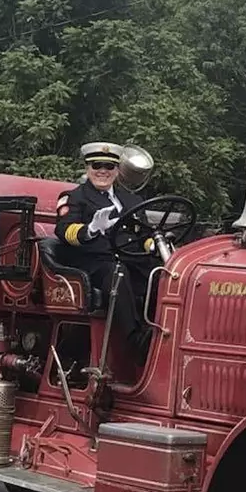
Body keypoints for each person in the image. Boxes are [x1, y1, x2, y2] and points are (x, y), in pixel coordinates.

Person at [54, 142, 156, 364]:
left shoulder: (132, 200)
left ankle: (159, 331)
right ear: (87, 167)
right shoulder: (75, 197)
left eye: (109, 166)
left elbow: (145, 234)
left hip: (131, 259)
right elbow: (64, 230)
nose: (103, 171)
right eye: (97, 165)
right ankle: (135, 339)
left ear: (117, 170)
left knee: (163, 274)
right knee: (116, 273)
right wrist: (90, 230)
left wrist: (153, 245)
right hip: (94, 263)